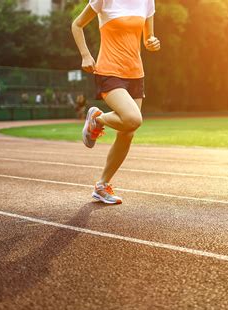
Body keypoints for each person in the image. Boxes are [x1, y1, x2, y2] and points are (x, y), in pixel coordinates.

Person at [72, 0, 160, 204]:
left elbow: (148, 39)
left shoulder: (147, 1)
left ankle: (102, 186)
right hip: (109, 71)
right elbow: (77, 25)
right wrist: (85, 55)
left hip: (136, 73)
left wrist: (152, 42)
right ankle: (98, 119)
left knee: (127, 133)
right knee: (132, 119)